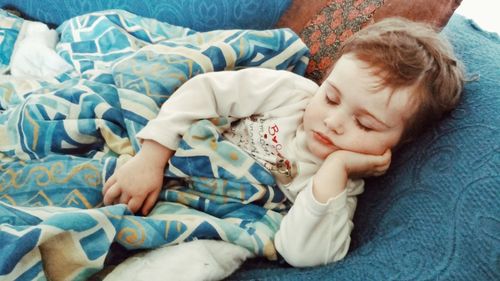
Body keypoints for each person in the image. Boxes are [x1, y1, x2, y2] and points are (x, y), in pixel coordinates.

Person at [102, 17, 464, 267]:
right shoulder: (292, 94)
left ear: (400, 141)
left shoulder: (336, 187)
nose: (333, 122)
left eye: (365, 124)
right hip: (172, 157)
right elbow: (206, 90)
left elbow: (304, 253)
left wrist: (337, 168)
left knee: (200, 262)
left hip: (201, 212)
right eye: (332, 97)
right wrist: (151, 156)